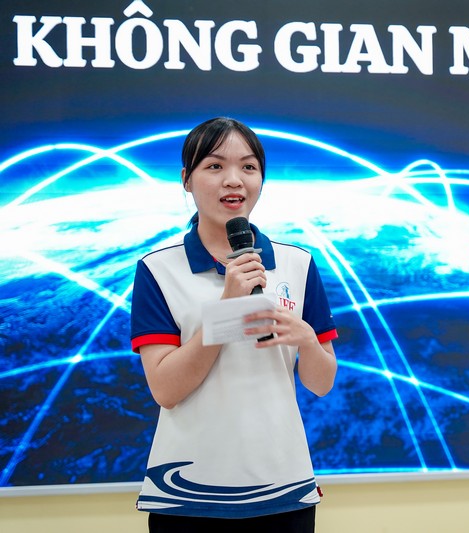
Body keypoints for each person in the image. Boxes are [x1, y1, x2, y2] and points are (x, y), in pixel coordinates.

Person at [130, 117, 338, 532]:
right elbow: (166, 390)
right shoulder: (158, 269)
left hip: (284, 487)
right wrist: (227, 308)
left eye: (248, 167)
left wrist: (307, 341)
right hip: (187, 494)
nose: (234, 180)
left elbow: (321, 383)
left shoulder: (297, 264)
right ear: (186, 179)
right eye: (214, 166)